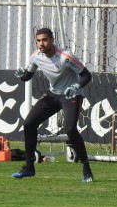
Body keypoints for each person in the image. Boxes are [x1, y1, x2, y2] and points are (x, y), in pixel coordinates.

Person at [12, 27, 94, 182]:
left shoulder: (65, 57)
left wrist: (76, 86)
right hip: (53, 94)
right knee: (29, 124)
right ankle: (29, 167)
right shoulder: (36, 56)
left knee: (69, 129)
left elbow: (86, 75)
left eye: (44, 40)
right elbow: (27, 76)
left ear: (52, 40)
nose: (41, 43)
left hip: (71, 94)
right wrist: (22, 75)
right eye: (38, 40)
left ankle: (87, 170)